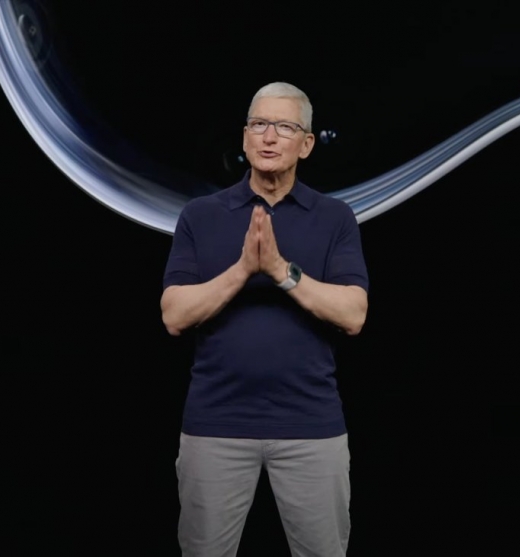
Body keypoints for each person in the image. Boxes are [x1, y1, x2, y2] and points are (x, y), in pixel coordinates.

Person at [160, 81, 369, 557]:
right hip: (214, 426)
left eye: (284, 126)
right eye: (258, 124)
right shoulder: (201, 215)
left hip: (311, 426)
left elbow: (354, 314)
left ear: (307, 144)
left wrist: (280, 271)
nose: (269, 137)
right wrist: (242, 270)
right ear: (244, 137)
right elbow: (173, 315)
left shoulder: (335, 218)